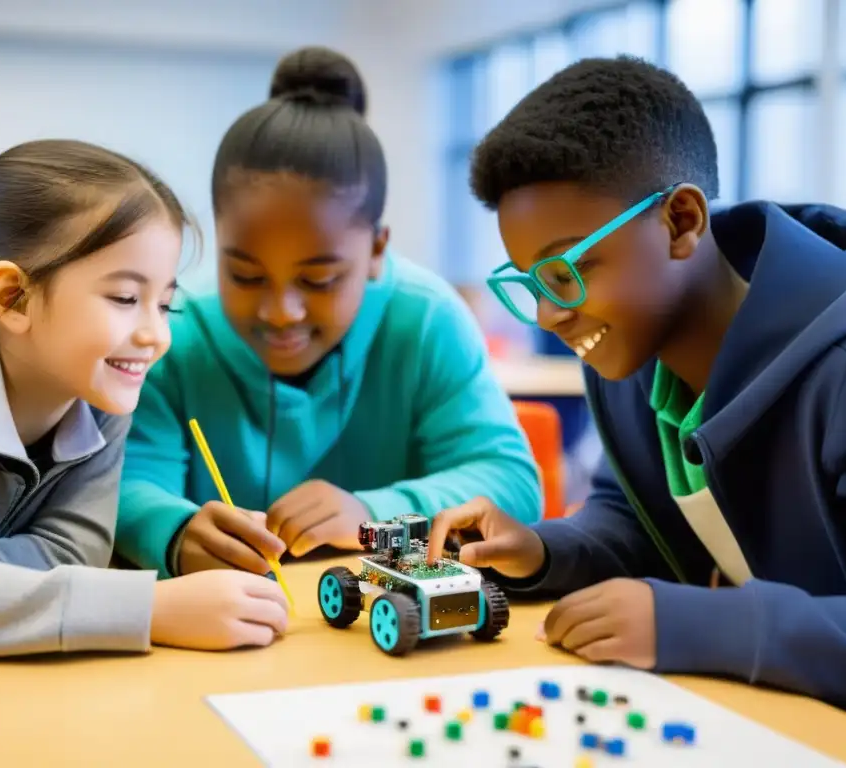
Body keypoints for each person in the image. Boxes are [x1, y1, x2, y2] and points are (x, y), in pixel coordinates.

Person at [427, 56, 846, 708]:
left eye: (566, 271)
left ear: (681, 222)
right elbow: (635, 520)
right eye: (530, 282)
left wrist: (697, 624)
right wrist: (540, 549)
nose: (549, 315)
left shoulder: (838, 366)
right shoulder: (631, 360)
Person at [0, 139, 289, 657]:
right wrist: (152, 610)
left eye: (165, 305)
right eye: (126, 299)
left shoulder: (99, 403)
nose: (156, 335)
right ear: (13, 297)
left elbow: (75, 553)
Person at [115, 46, 540, 579]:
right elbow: (122, 486)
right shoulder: (172, 332)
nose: (281, 312)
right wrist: (174, 532)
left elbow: (513, 487)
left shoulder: (426, 320)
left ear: (377, 250)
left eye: (318, 279)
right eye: (244, 274)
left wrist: (373, 514)